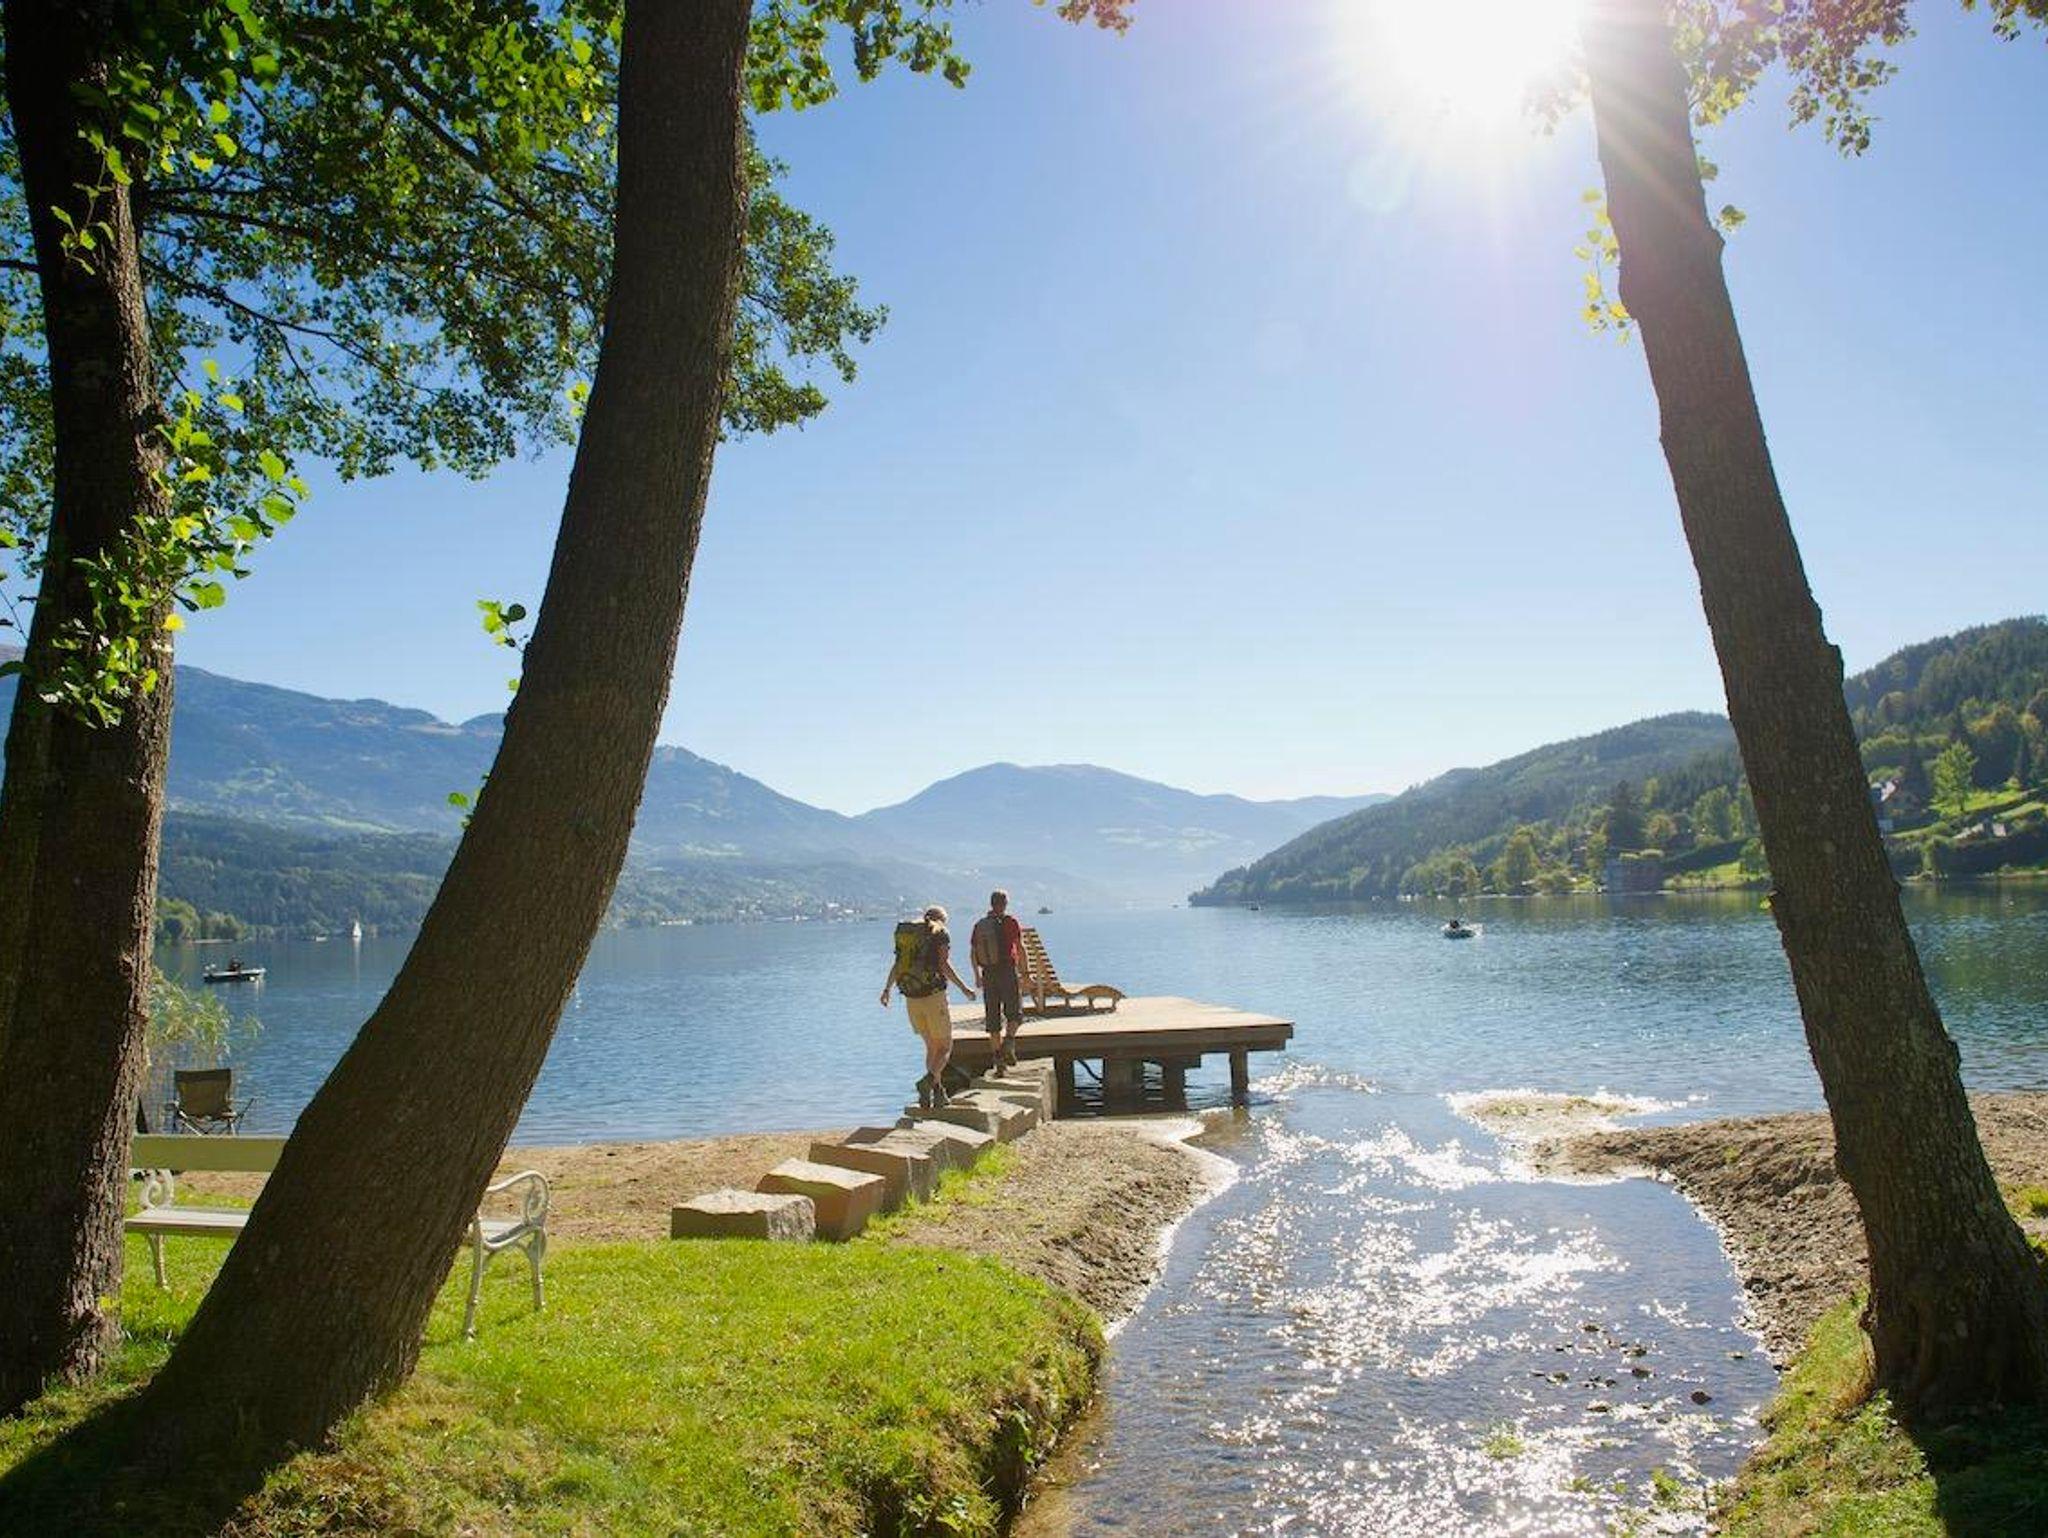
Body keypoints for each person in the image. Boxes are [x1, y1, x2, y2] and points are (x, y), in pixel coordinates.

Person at [880, 904, 975, 1110]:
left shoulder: (910, 937)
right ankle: (928, 1081)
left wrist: (887, 989)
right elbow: (943, 965)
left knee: (931, 1047)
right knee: (945, 1047)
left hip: (911, 997)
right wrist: (964, 988)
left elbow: (897, 965)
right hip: (933, 996)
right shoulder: (940, 933)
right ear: (941, 919)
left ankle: (936, 1094)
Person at [970, 889, 1026, 1070]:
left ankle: (998, 1060)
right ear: (1005, 904)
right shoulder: (1011, 922)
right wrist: (1025, 973)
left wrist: (977, 975)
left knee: (993, 1018)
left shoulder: (980, 925)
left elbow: (973, 953)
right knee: (1015, 1013)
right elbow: (1020, 947)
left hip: (988, 973)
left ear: (991, 904)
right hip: (1007, 970)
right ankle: (1008, 1043)